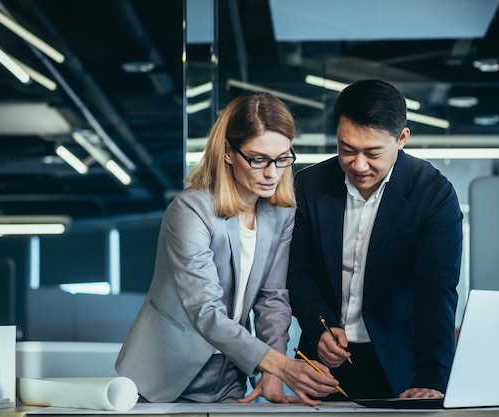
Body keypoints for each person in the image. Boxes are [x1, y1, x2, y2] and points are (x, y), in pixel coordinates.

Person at [116, 92, 339, 406]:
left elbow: (272, 298)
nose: (272, 173)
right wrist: (282, 364)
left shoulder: (280, 213)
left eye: (282, 158)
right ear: (228, 153)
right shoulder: (191, 210)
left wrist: (272, 375)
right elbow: (204, 310)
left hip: (231, 372)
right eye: (258, 159)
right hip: (164, 373)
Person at [287, 79, 463, 400]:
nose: (359, 165)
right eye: (347, 149)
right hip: (324, 365)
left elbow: (436, 293)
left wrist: (433, 376)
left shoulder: (433, 193)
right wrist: (319, 327)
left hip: (401, 366)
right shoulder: (310, 184)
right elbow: (299, 273)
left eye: (373, 152)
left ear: (402, 139)